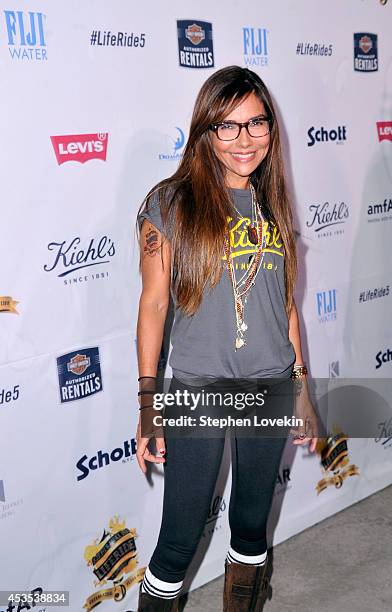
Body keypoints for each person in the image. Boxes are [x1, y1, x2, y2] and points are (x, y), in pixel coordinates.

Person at [135, 65, 318, 612]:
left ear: (271, 129)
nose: (245, 140)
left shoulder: (276, 206)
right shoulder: (168, 204)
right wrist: (149, 402)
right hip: (198, 387)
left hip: (269, 386)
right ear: (206, 131)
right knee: (178, 541)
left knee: (250, 526)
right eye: (228, 126)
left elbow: (284, 305)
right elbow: (153, 305)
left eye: (256, 123)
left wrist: (302, 387)